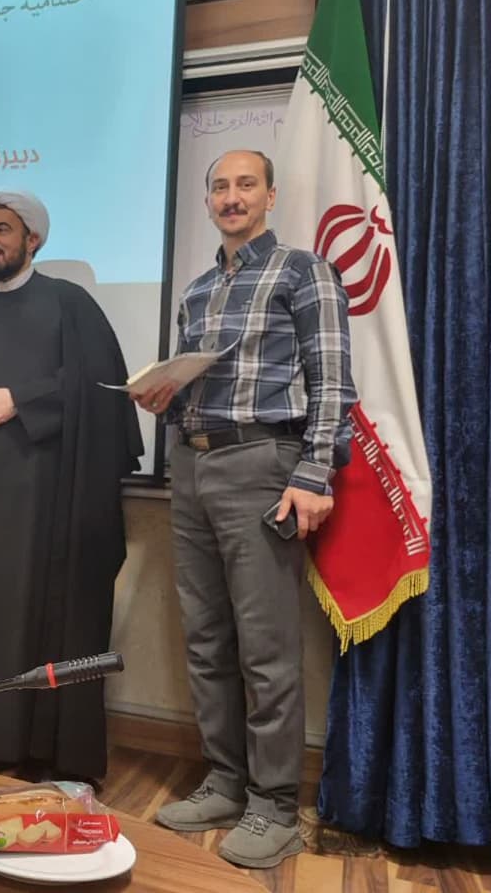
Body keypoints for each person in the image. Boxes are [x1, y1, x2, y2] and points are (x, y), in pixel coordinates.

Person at [139, 150, 355, 869]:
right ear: (208, 200)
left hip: (263, 463)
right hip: (192, 463)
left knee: (266, 646)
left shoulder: (302, 271)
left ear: (270, 194)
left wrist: (315, 472)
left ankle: (274, 805)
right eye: (220, 187)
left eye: (245, 185)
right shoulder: (198, 290)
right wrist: (163, 394)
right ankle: (226, 781)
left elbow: (333, 382)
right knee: (206, 637)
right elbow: (195, 379)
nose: (231, 197)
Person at [0, 189, 142, 784]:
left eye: (2, 230)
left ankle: (43, 750)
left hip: (48, 510)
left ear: (32, 239)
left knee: (43, 623)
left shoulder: (71, 305)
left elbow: (99, 386)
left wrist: (20, 399)